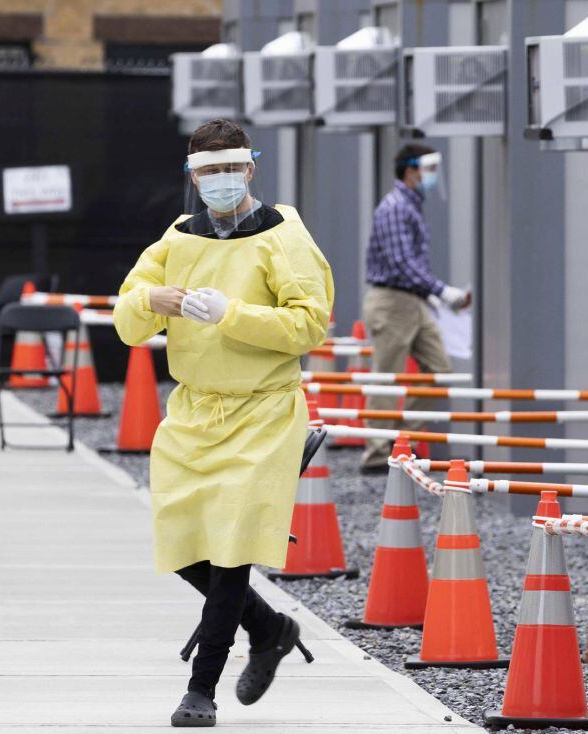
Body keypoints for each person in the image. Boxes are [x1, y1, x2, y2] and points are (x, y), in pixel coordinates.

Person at [112, 118, 334, 727]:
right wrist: (148, 300)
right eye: (209, 171)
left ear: (250, 168)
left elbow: (309, 325)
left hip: (263, 410)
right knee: (183, 542)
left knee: (231, 550)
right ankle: (269, 627)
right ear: (193, 175)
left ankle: (200, 689)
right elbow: (128, 322)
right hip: (194, 413)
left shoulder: (281, 234)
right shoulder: (178, 237)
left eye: (230, 168)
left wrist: (230, 313)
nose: (221, 180)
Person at [359, 143, 469, 471]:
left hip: (411, 299)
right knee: (386, 377)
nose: (432, 177)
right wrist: (441, 291)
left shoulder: (409, 205)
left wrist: (432, 295)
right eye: (428, 169)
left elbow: (408, 264)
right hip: (391, 301)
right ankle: (378, 452)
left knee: (439, 370)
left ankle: (402, 441)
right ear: (410, 171)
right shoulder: (396, 207)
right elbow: (402, 262)